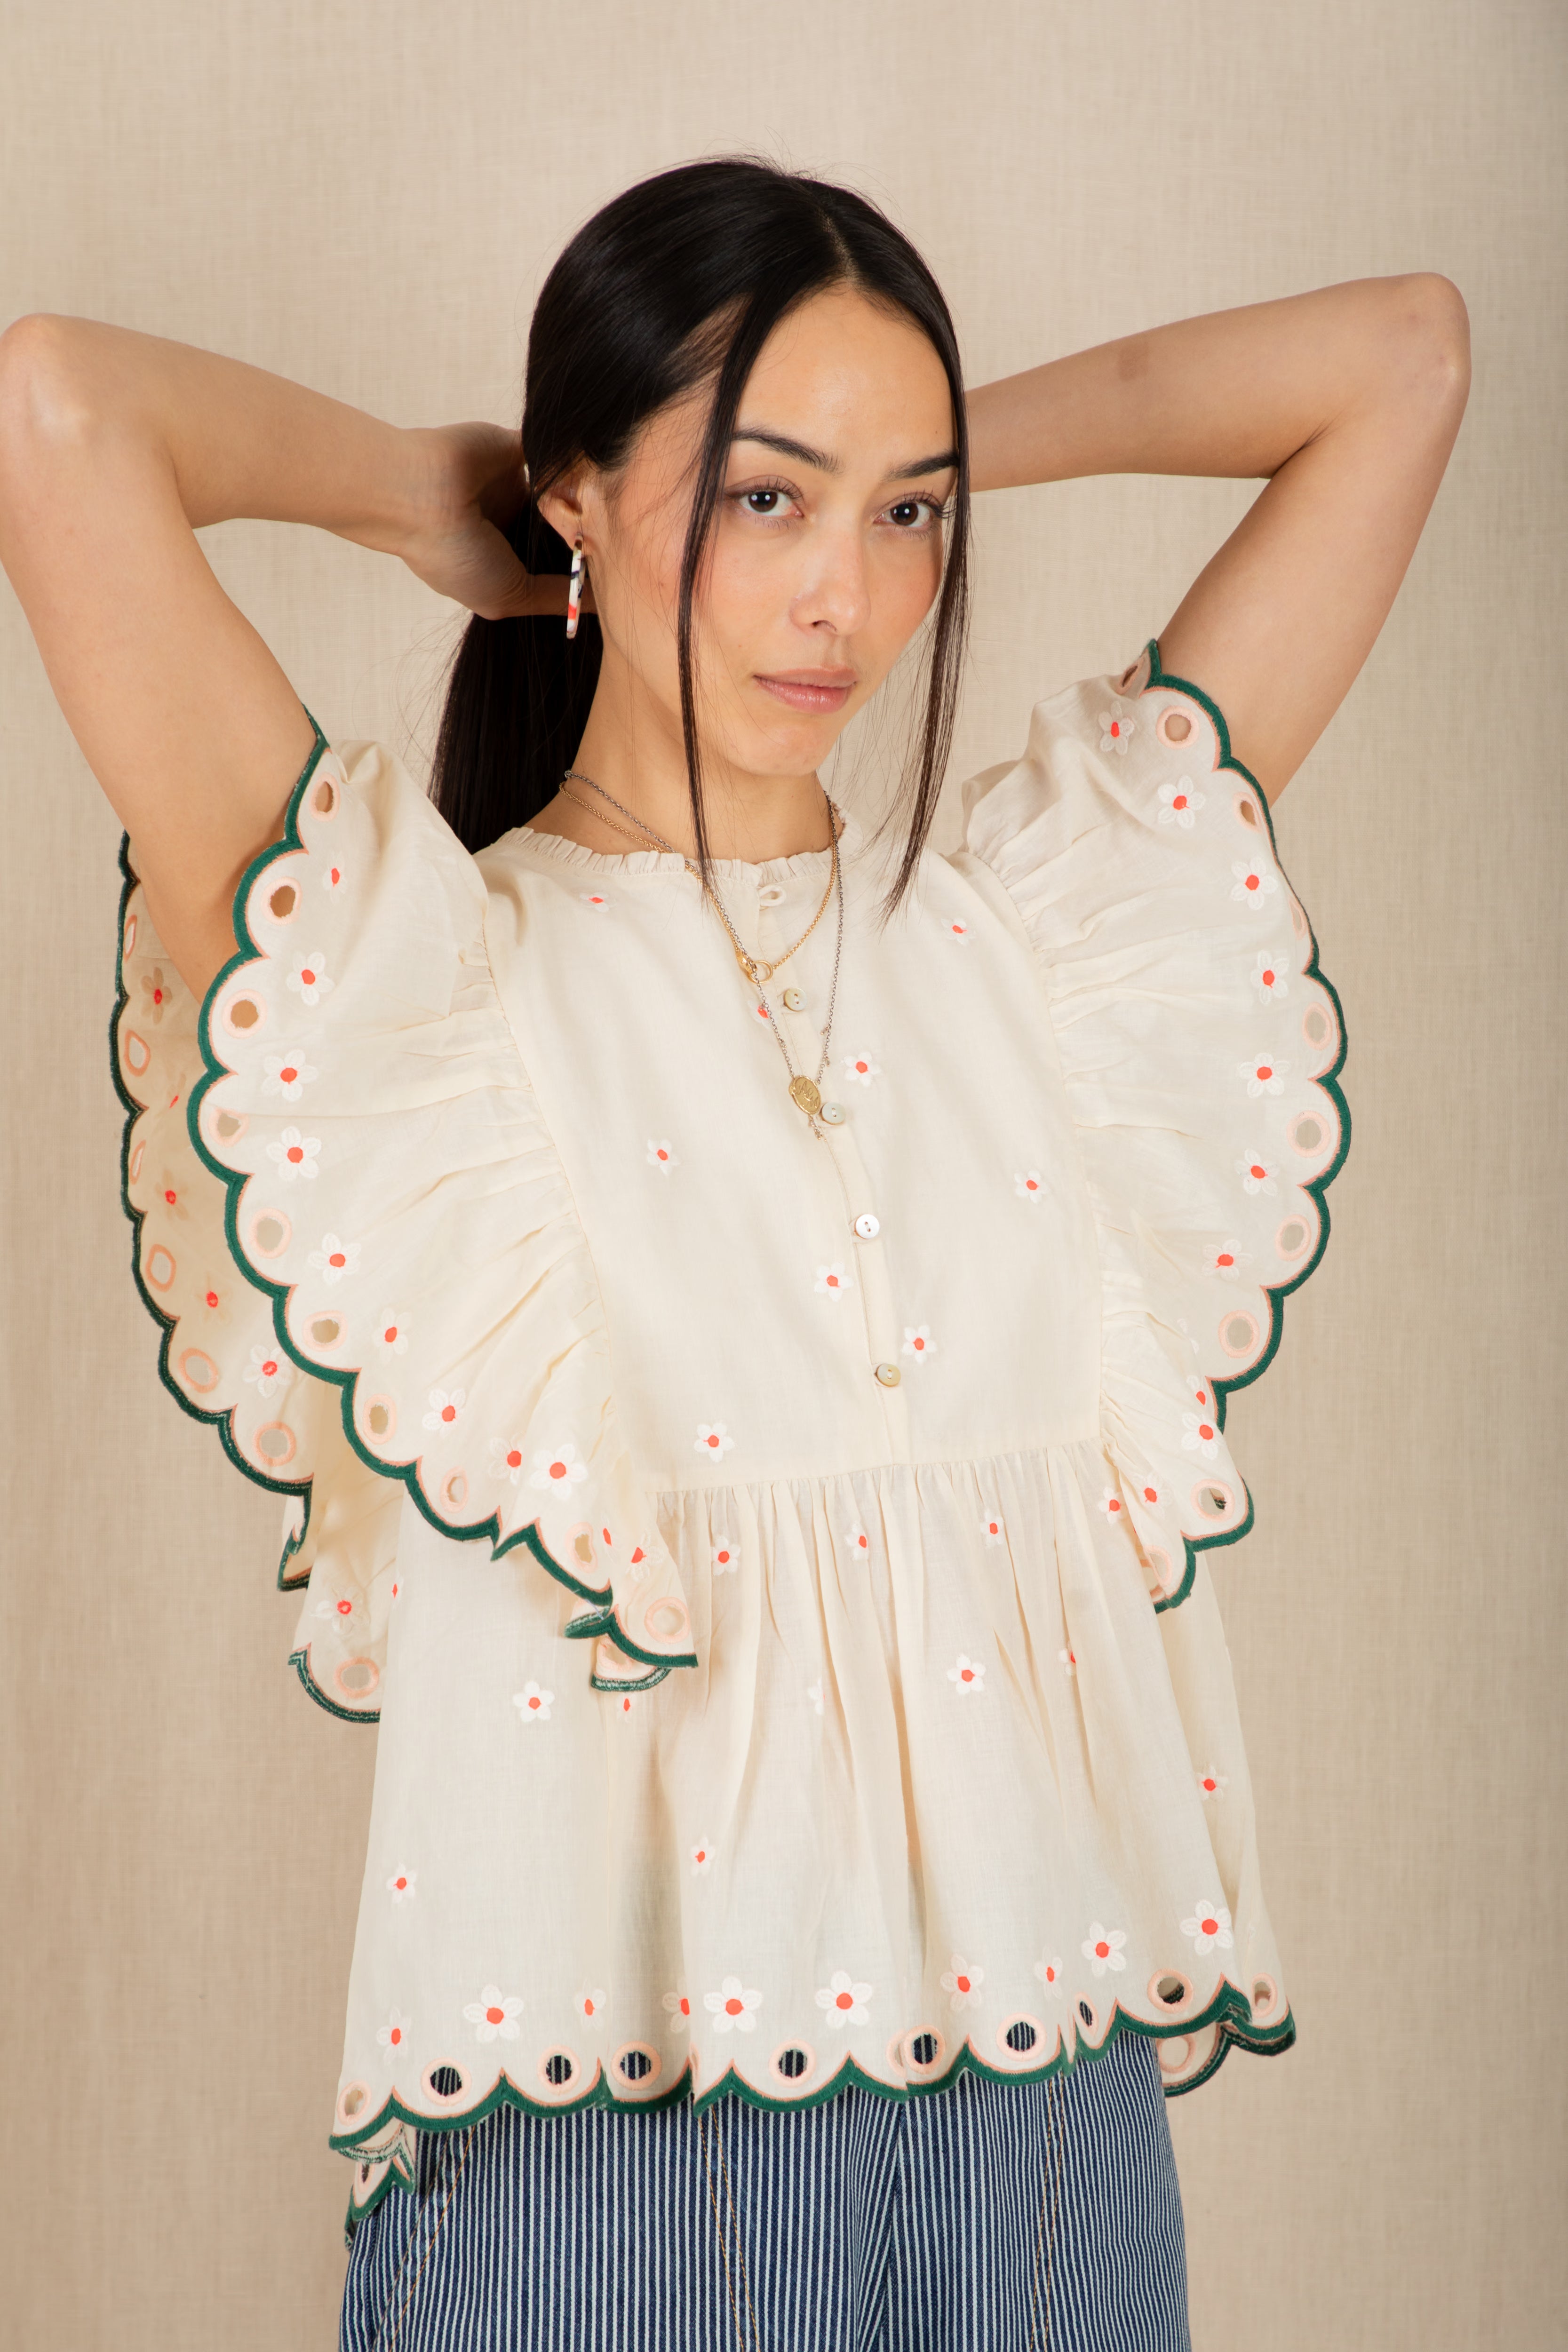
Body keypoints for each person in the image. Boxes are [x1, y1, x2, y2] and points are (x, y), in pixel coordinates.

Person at [0, 157, 1467, 2352]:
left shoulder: (1039, 942)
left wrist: (915, 441)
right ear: (581, 494)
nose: (843, 597)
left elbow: (1402, 359)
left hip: (1049, 2122)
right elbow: (60, 412)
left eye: (907, 517)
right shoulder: (419, 982)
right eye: (765, 500)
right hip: (604, 2135)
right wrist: (445, 498)